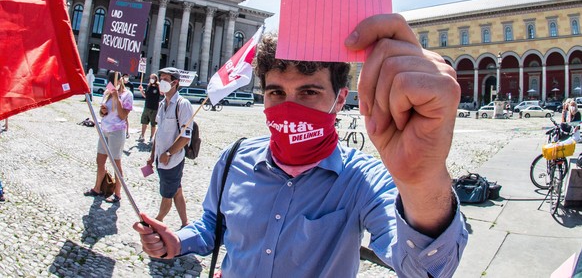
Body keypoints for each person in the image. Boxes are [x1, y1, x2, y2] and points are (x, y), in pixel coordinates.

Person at [134, 15, 468, 277]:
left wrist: (422, 181)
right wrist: (177, 241)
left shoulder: (363, 179)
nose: (289, 106)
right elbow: (212, 226)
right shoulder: (234, 158)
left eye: (309, 92)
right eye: (276, 93)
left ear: (339, 101)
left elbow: (424, 270)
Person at [146, 67, 193, 228]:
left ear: (175, 82)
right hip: (161, 158)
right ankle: (185, 223)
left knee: (167, 194)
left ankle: (157, 222)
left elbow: (186, 137)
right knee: (176, 190)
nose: (161, 82)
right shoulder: (161, 104)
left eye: (165, 79)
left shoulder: (183, 104)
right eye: (161, 79)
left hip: (172, 160)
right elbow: (159, 133)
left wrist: (168, 153)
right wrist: (152, 155)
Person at [84, 70, 133, 203]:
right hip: (104, 129)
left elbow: (123, 115)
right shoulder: (107, 92)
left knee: (116, 163)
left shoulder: (127, 95)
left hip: (117, 131)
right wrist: (103, 111)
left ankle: (117, 193)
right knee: (100, 161)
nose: (112, 85)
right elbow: (102, 113)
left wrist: (117, 98)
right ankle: (97, 188)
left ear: (120, 80)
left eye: (115, 82)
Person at [138, 73, 162, 143]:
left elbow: (162, 93)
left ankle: (152, 137)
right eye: (151, 78)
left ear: (156, 79)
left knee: (153, 123)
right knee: (144, 122)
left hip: (154, 108)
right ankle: (142, 135)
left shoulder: (158, 87)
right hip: (147, 106)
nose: (152, 79)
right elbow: (146, 96)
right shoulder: (148, 86)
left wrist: (159, 86)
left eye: (153, 78)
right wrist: (141, 91)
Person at [122, 73, 135, 139]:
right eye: (125, 76)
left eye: (127, 76)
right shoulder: (120, 84)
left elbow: (132, 94)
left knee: (125, 118)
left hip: (126, 103)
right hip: (120, 101)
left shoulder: (130, 85)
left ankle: (127, 132)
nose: (126, 77)